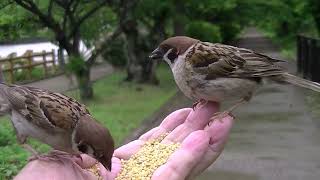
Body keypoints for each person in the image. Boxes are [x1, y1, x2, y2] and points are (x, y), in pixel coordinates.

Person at [14, 102, 234, 180]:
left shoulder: (79, 126)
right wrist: (38, 161)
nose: (103, 164)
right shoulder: (59, 121)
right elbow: (24, 102)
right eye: (100, 157)